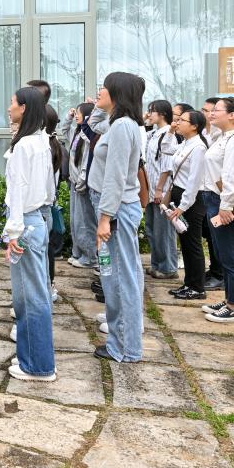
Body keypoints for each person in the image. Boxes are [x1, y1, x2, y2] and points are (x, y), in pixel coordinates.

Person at [88, 72, 146, 363]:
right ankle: (123, 341)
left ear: (117, 93)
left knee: (121, 279)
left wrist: (105, 218)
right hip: (115, 209)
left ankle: (124, 347)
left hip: (117, 210)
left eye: (105, 88)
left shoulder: (122, 127)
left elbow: (116, 176)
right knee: (119, 275)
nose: (100, 91)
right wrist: (100, 106)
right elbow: (93, 123)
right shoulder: (118, 123)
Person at [5, 87, 57, 383]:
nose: (9, 107)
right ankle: (31, 356)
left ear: (23, 108)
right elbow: (48, 190)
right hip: (37, 218)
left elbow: (17, 191)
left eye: (13, 103)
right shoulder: (41, 141)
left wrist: (13, 231)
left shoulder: (25, 145)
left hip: (25, 221)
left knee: (31, 297)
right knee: (32, 294)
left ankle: (38, 365)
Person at [200, 96, 234, 324]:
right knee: (225, 254)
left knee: (233, 256)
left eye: (217, 110)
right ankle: (230, 299)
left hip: (224, 202)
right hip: (215, 199)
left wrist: (226, 206)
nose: (211, 113)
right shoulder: (222, 137)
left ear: (232, 115)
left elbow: (233, 177)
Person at [165, 110, 210, 300]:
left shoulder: (198, 147)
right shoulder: (185, 143)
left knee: (192, 243)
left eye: (182, 120)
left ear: (194, 126)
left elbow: (194, 180)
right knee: (185, 242)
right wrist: (170, 131)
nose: (178, 122)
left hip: (190, 199)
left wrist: (183, 206)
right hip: (180, 195)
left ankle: (197, 287)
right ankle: (189, 283)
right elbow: (166, 148)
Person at [144, 100, 179, 279]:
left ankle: (168, 267)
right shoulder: (154, 133)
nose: (149, 114)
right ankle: (157, 263)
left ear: (162, 114)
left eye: (152, 111)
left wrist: (159, 190)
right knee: (152, 229)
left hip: (161, 189)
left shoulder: (168, 134)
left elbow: (166, 166)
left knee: (163, 230)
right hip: (151, 189)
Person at [63, 102, 98, 268]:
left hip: (82, 185)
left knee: (85, 221)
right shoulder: (77, 134)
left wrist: (82, 182)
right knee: (76, 221)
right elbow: (64, 131)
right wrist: (68, 117)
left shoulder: (87, 136)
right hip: (74, 182)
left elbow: (85, 162)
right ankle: (78, 252)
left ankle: (90, 257)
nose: (76, 115)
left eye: (78, 113)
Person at [197, 97, 224, 290]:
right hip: (205, 190)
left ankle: (220, 274)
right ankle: (214, 269)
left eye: (211, 110)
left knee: (219, 237)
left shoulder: (220, 134)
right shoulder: (205, 133)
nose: (207, 114)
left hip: (218, 192)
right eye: (205, 110)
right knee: (210, 234)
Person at [43, 105, 66, 289]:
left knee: (45, 249)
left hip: (43, 206)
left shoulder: (46, 147)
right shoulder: (52, 144)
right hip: (48, 204)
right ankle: (49, 284)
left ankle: (48, 286)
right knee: (47, 248)